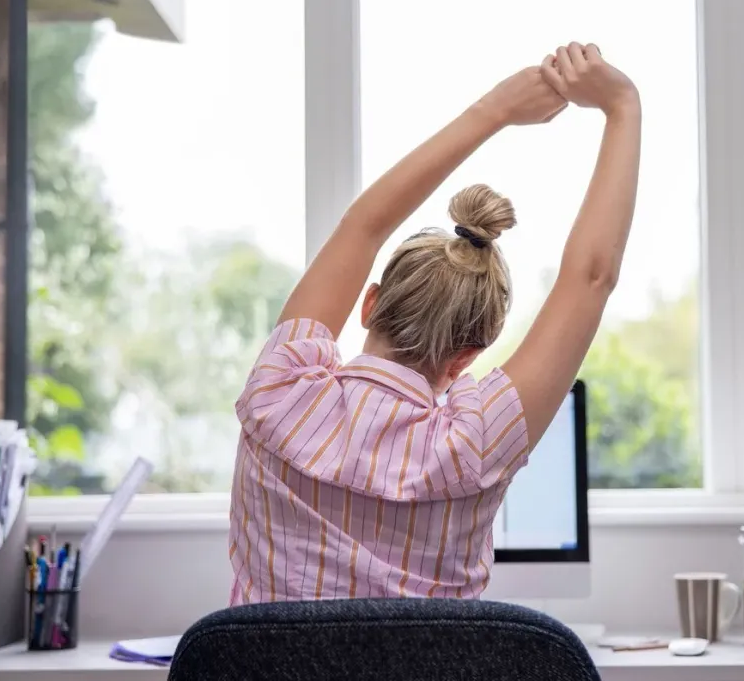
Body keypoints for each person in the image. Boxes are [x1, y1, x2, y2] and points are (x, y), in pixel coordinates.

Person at [229, 42, 641, 604]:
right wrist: (623, 107)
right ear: (467, 356)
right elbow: (591, 279)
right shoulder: (475, 442)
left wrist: (495, 111)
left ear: (369, 302)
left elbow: (362, 228)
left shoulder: (279, 389)